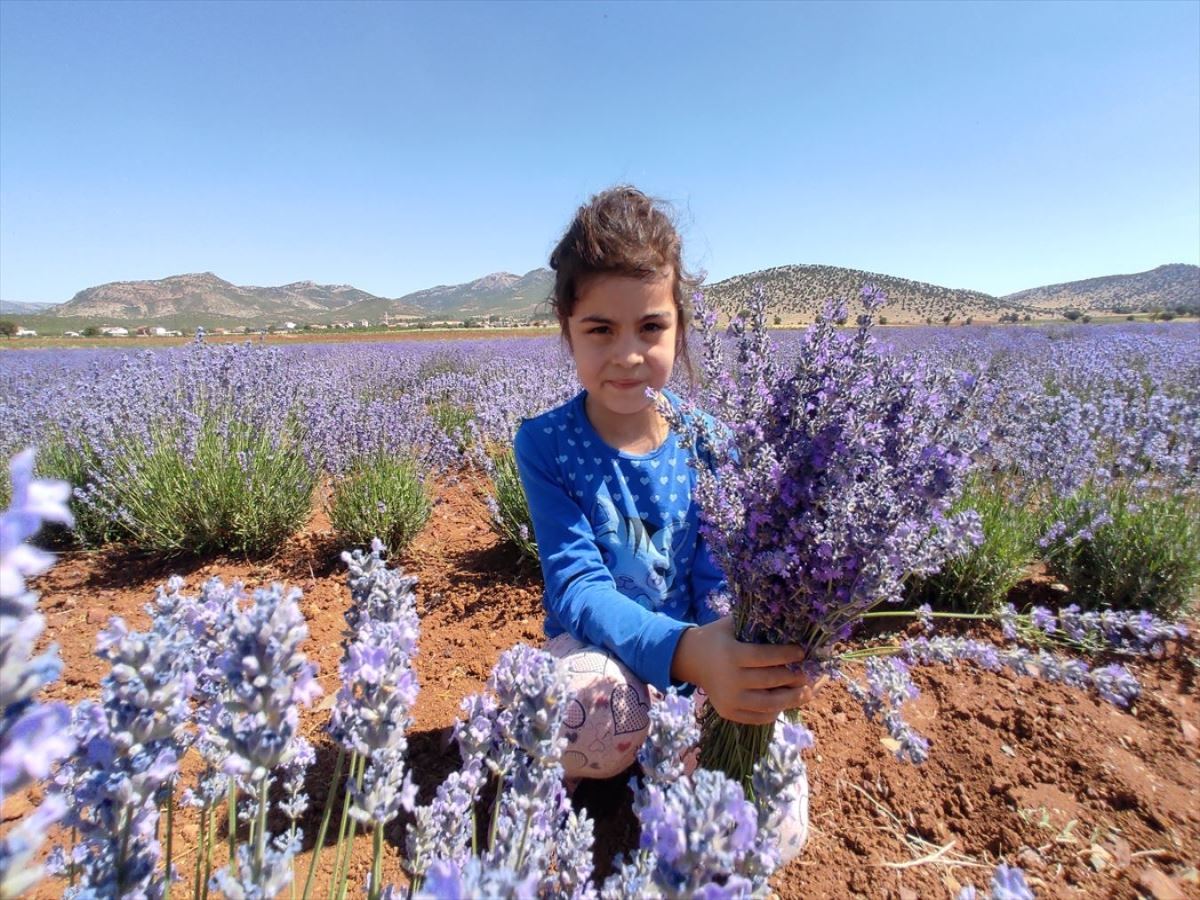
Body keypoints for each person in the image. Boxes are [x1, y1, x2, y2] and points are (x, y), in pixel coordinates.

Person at [512, 186, 817, 859]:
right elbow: (576, 589)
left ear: (679, 326)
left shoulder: (712, 444)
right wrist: (687, 654)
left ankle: (672, 774)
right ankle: (579, 788)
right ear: (566, 328)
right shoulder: (546, 444)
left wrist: (726, 668)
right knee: (571, 704)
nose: (627, 354)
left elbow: (719, 583)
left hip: (701, 669)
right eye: (601, 330)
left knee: (776, 830)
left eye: (649, 328)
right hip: (608, 660)